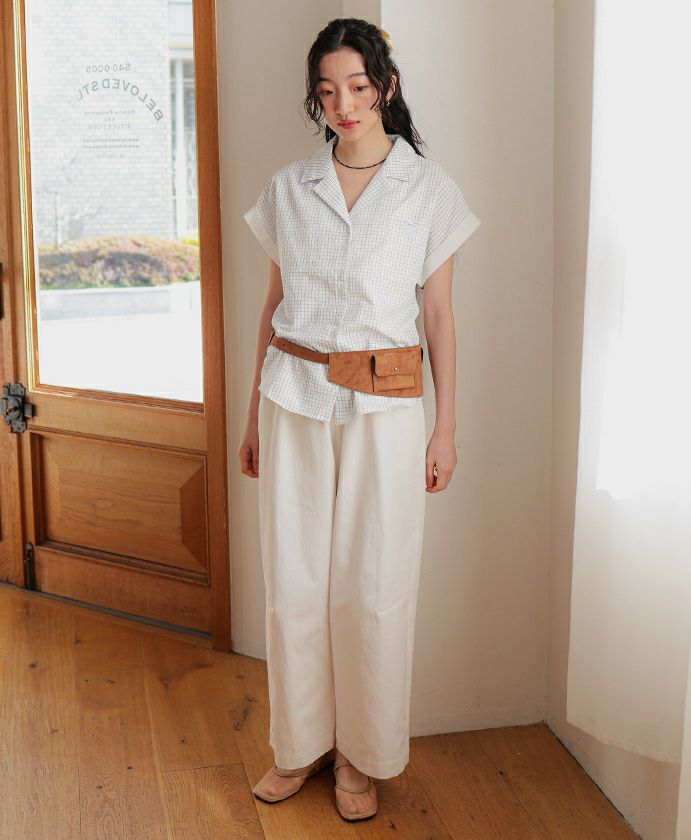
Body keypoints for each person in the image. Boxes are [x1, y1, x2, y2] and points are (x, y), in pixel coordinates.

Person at [238, 17, 481, 822]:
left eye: (358, 86)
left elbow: (438, 315)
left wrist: (446, 428)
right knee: (295, 582)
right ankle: (299, 745)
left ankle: (359, 756)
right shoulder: (289, 189)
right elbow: (273, 307)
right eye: (328, 90)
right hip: (293, 398)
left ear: (386, 87)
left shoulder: (428, 190)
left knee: (373, 583)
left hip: (388, 405)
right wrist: (250, 417)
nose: (344, 104)